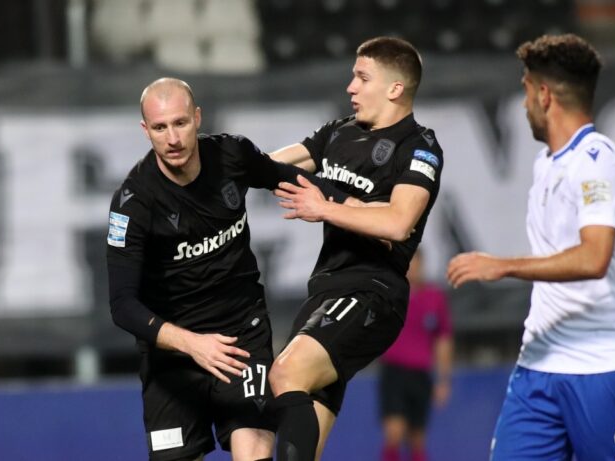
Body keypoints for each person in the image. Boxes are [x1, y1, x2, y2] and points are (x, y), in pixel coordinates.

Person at [105, 77, 349, 461]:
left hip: (241, 338)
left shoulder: (232, 155)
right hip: (172, 359)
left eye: (180, 123)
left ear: (197, 118)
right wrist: (193, 344)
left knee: (253, 450)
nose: (173, 138)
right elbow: (122, 305)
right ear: (145, 130)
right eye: (160, 127)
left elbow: (288, 177)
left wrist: (356, 208)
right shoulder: (132, 203)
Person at [447, 34, 615, 461]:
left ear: (544, 95)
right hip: (538, 364)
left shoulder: (598, 160)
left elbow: (594, 257)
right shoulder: (546, 164)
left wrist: (503, 266)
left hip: (602, 365)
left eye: (526, 90)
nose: (524, 104)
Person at [266, 36, 444, 461]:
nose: (351, 87)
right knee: (299, 437)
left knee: (286, 372)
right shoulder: (338, 132)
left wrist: (326, 205)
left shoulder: (419, 146)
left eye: (362, 78)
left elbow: (398, 223)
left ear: (395, 88)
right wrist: (215, 164)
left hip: (372, 292)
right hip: (324, 292)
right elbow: (270, 166)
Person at [378, 248, 453, 461]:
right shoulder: (390, 294)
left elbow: (443, 340)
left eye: (416, 263)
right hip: (394, 372)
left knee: (417, 438)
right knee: (394, 432)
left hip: (421, 374)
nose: (412, 269)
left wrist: (443, 379)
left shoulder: (434, 297)